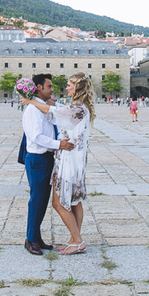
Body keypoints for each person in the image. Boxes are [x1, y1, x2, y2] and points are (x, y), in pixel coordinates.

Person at [22, 72, 93, 255]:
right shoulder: (76, 107)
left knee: (61, 202)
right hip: (58, 157)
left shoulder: (77, 108)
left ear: (77, 87)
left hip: (69, 159)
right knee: (69, 200)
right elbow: (36, 135)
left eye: (69, 84)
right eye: (50, 86)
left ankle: (76, 240)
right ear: (39, 88)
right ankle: (41, 239)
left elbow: (53, 112)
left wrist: (30, 101)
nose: (63, 88)